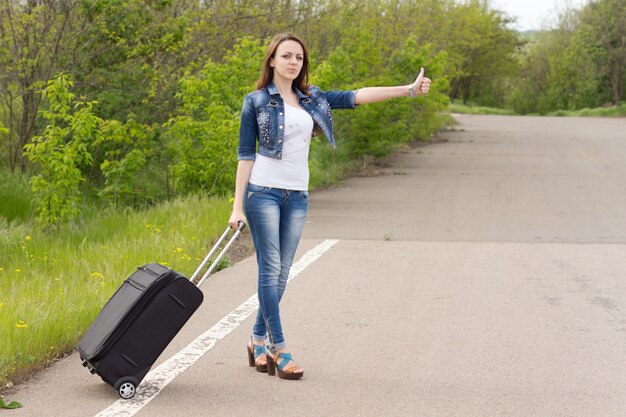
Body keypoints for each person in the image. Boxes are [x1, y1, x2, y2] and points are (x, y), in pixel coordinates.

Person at [229, 33, 431, 380]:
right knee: (270, 268)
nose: (294, 62)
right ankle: (280, 348)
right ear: (272, 61)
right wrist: (237, 207)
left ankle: (256, 340)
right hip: (263, 193)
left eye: (299, 58)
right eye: (287, 56)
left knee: (281, 274)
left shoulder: (312, 98)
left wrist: (407, 90)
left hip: (298, 195)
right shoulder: (256, 101)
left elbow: (358, 95)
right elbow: (245, 156)